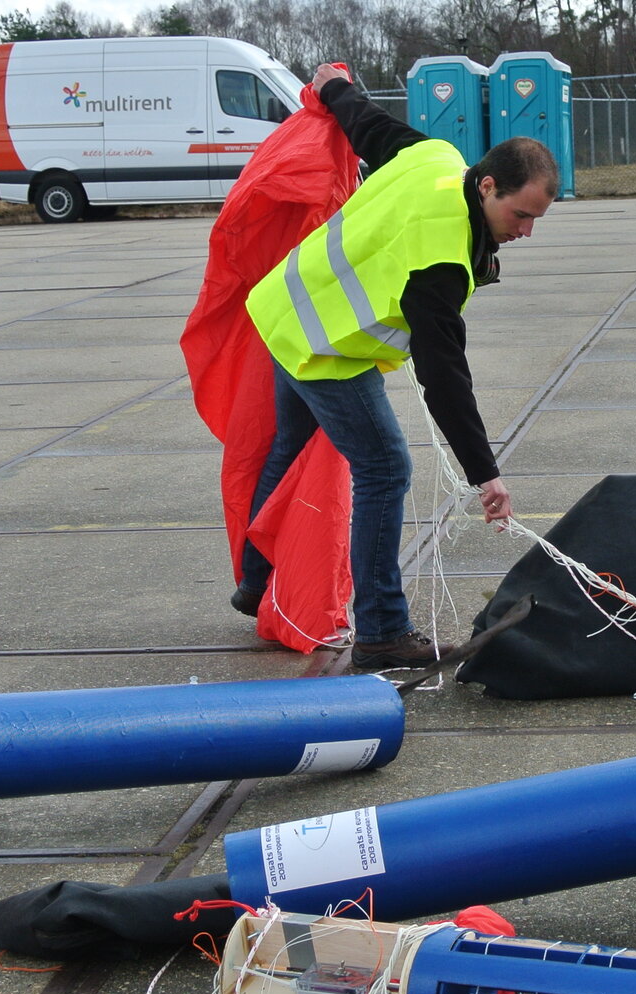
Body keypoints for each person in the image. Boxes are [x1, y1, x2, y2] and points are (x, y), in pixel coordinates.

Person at [233, 63, 560, 672]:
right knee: (385, 467)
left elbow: (367, 125)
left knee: (287, 450)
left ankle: (256, 580)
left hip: (285, 309)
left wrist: (332, 87)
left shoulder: (433, 158)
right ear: (487, 186)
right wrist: (484, 475)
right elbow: (444, 379)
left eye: (537, 219)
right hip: (325, 348)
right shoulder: (440, 261)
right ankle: (382, 630)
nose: (528, 231)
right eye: (521, 215)